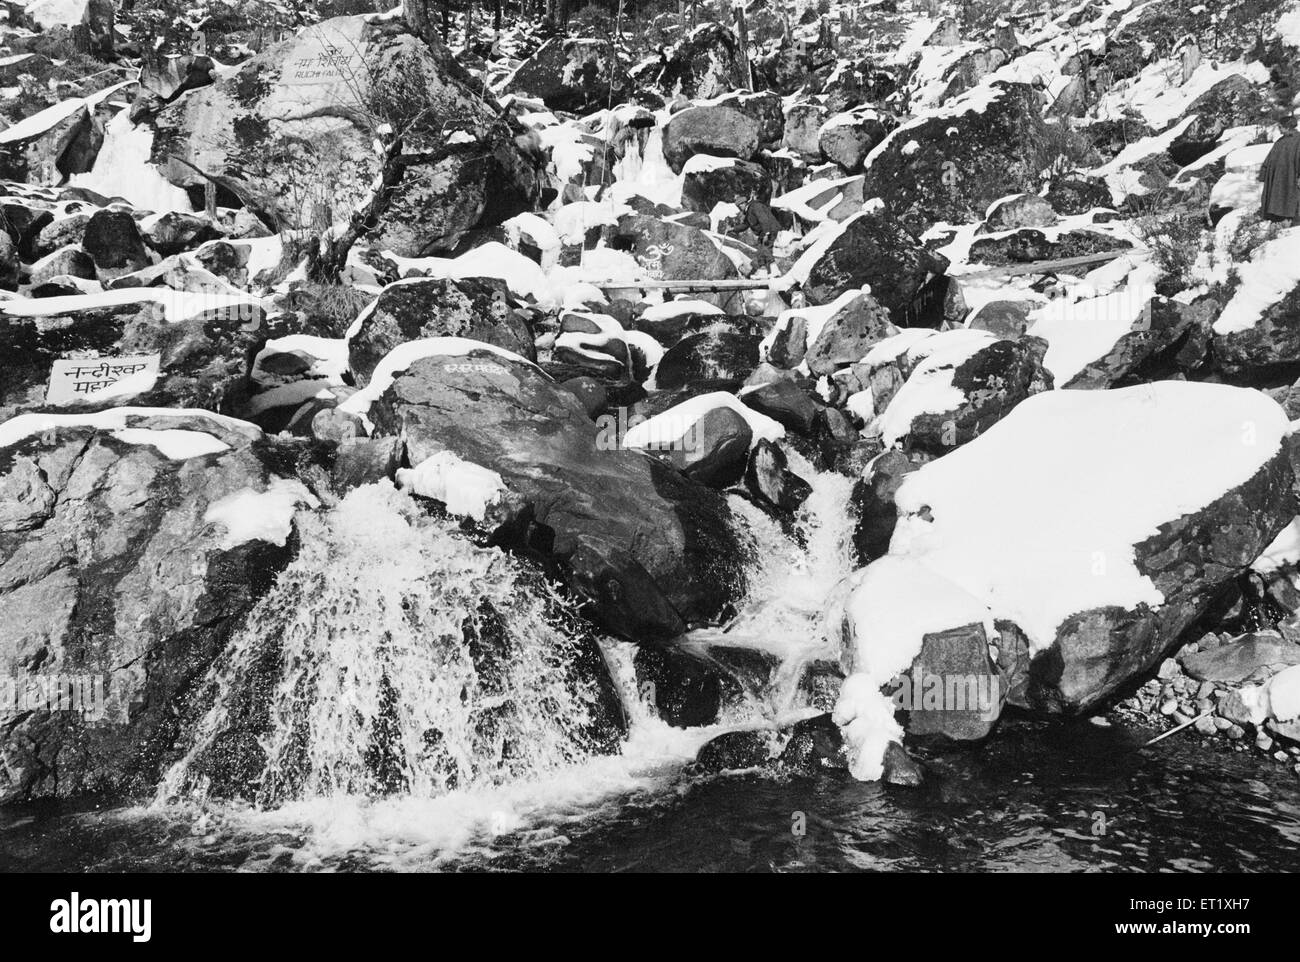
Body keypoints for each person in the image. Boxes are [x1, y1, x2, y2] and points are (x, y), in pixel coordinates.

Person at [1259, 114, 1300, 224]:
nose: (1279, 129)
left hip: (1290, 178)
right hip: (1276, 179)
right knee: (1275, 201)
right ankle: (1277, 221)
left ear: (1287, 127)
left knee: (1288, 201)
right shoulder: (1280, 141)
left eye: (1281, 127)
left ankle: (1289, 223)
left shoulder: (1298, 140)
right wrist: (1263, 172)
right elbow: (1270, 158)